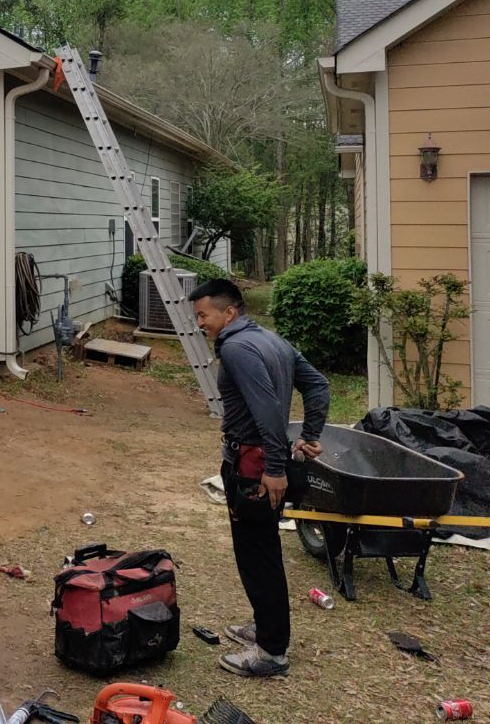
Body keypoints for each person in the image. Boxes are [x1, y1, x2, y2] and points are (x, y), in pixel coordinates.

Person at [188, 277, 329, 679]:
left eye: (203, 315)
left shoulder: (236, 348)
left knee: (258, 557)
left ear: (229, 312)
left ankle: (271, 651)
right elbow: (317, 385)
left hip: (252, 464)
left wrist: (274, 469)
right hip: (260, 459)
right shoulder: (272, 339)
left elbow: (268, 411)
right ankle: (265, 627)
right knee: (258, 551)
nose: (200, 323)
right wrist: (312, 434)